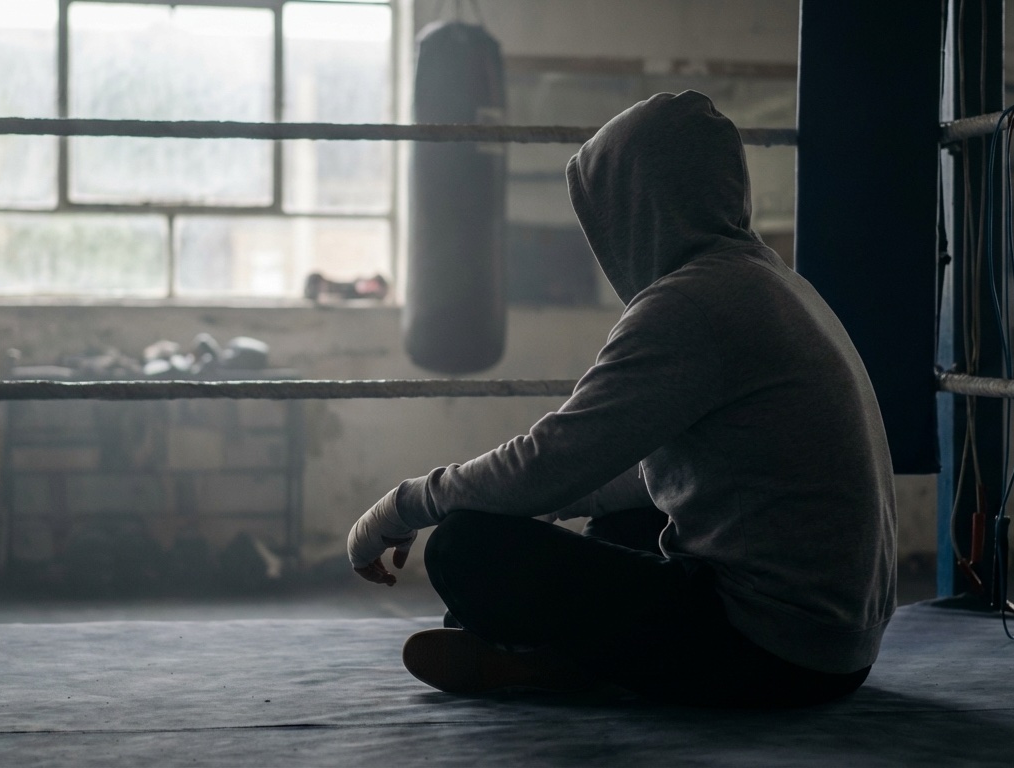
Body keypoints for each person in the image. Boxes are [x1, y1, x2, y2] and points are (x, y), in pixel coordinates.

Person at [347, 91, 897, 708]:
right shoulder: (774, 282)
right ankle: (552, 655)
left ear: (633, 208)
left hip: (769, 653)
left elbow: (546, 462)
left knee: (466, 546)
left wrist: (402, 507)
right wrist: (543, 506)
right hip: (839, 649)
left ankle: (555, 656)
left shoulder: (691, 306)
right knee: (621, 524)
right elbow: (649, 474)